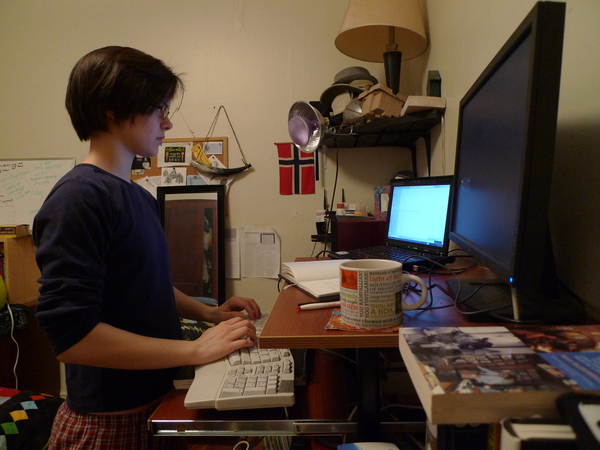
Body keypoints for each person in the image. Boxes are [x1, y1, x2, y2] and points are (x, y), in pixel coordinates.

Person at [33, 46, 262, 450]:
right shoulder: (79, 198)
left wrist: (206, 312)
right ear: (112, 109)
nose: (168, 121)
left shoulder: (135, 195)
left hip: (154, 404)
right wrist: (193, 349)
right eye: (158, 108)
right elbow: (73, 338)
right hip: (108, 426)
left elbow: (145, 284)